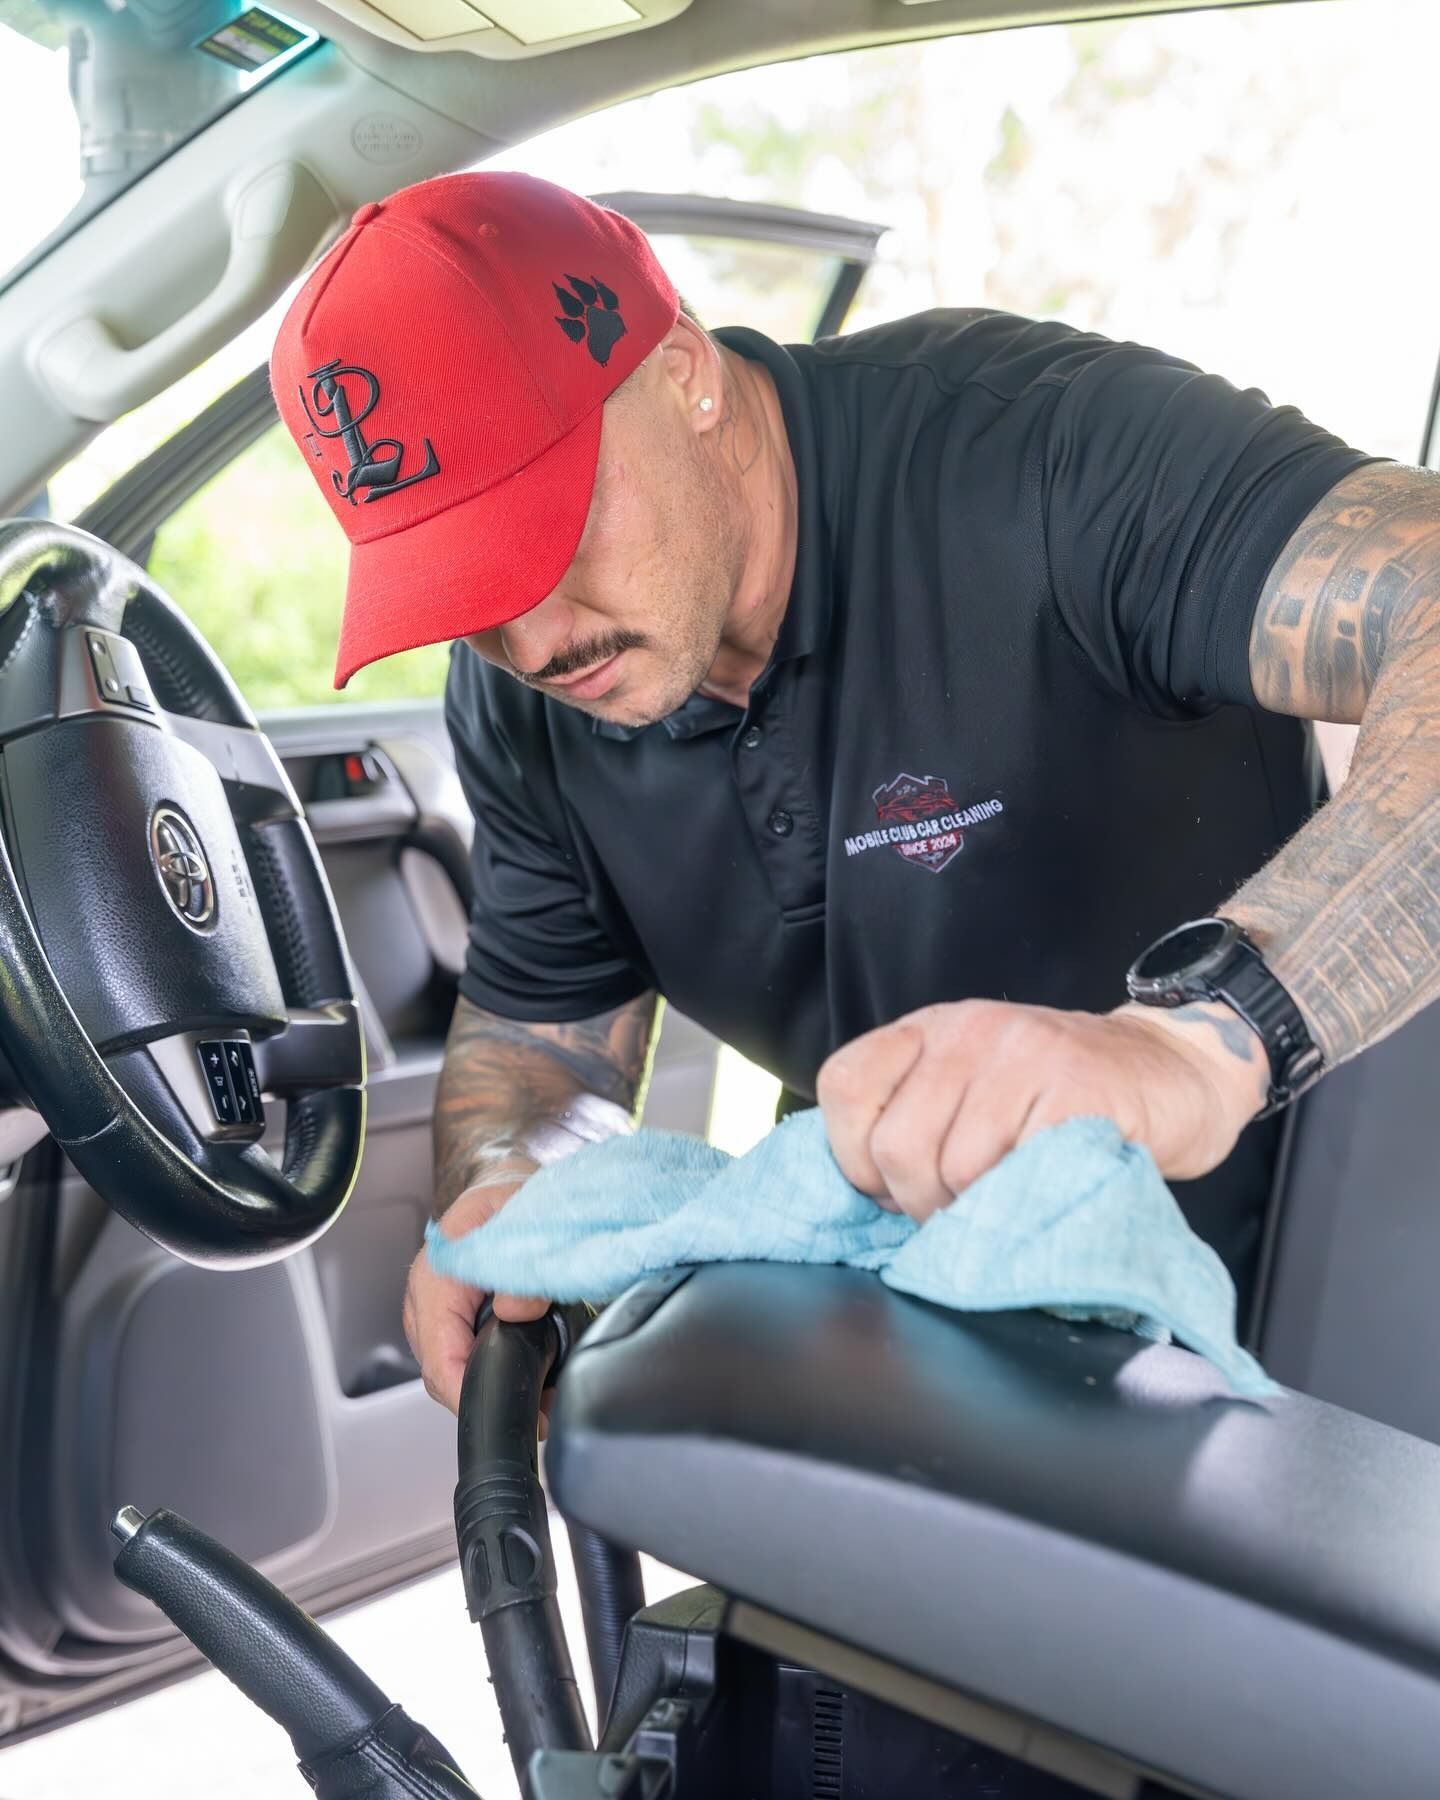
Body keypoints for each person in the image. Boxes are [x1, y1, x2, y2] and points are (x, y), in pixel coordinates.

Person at [270, 172, 1440, 1414]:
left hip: (1322, 1328)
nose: (534, 636)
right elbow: (538, 1049)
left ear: (683, 373)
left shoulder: (1043, 455)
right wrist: (513, 1189)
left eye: (546, 529)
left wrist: (1194, 1045)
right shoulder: (520, 698)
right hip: (920, 1357)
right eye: (465, 584)